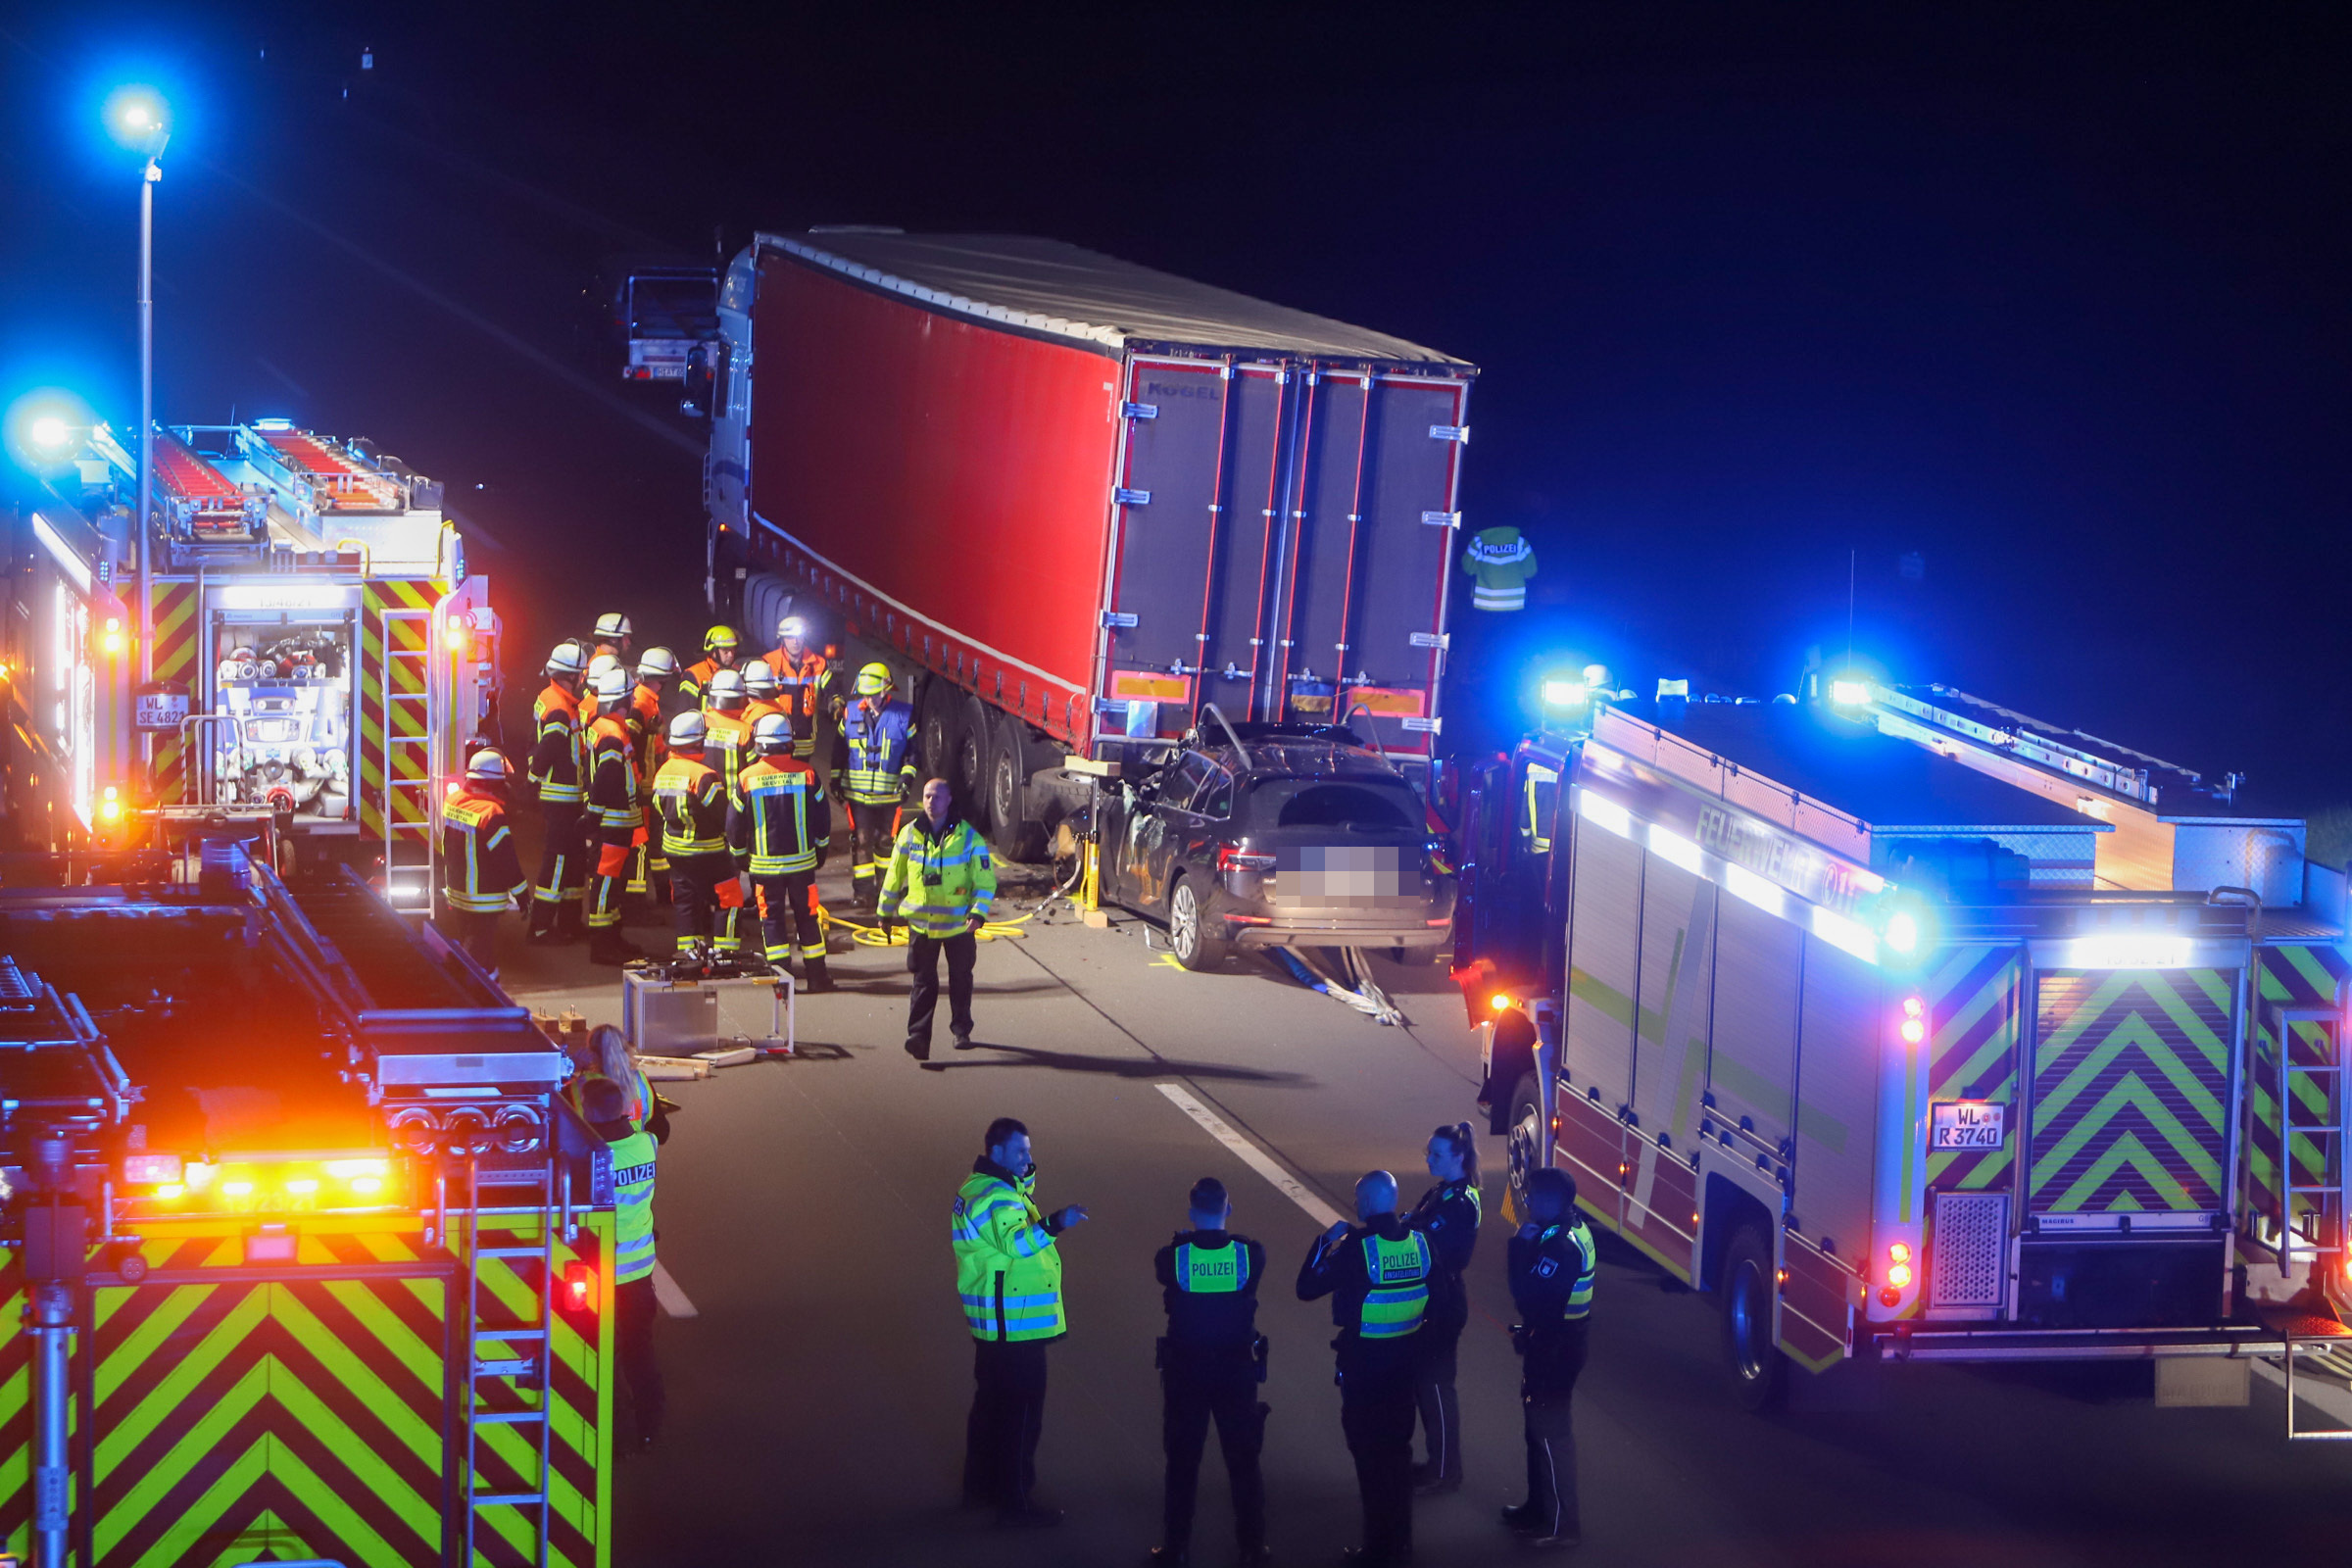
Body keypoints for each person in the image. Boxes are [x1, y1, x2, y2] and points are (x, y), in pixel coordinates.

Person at [952, 1116, 1088, 1526]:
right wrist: (1055, 1223)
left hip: (995, 1326)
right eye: (1020, 1152)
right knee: (1022, 1416)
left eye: (1029, 1150)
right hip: (1016, 1326)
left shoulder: (981, 1188)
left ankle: (979, 1488)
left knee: (990, 1408)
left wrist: (1024, 1176)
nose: (1029, 1158)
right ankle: (1015, 1501)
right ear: (996, 1153)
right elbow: (1016, 1241)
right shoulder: (997, 1198)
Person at [1298, 1170, 1433, 1567]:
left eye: (1358, 1200)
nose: (1356, 1206)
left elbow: (1306, 1287)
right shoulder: (1421, 1243)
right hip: (1405, 1368)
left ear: (1370, 1203)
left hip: (1365, 1370)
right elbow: (1440, 1299)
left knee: (1370, 1460)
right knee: (1399, 1454)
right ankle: (1402, 1543)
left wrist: (1324, 1242)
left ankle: (1377, 1547)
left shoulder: (1358, 1247)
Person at [1151, 1177, 1269, 1568]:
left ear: (1190, 1213)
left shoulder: (1174, 1256)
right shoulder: (1251, 1254)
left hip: (1187, 1370)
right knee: (1243, 1462)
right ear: (1228, 1209)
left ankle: (1177, 1548)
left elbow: (1164, 1269)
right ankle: (1253, 1549)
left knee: (1183, 1462)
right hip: (1237, 1371)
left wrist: (1182, 1239)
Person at [1505, 1167, 1596, 1550]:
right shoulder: (1570, 1229)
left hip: (1556, 1350)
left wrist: (1519, 1249)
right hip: (1557, 1343)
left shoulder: (1559, 1245)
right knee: (1535, 1430)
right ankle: (1537, 1509)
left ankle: (1562, 1525)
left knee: (1550, 1434)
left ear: (1550, 1201)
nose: (1526, 1202)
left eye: (1532, 1196)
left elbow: (1529, 1296)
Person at [878, 777, 996, 1061]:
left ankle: (961, 1030)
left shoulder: (969, 837)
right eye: (927, 796)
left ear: (949, 800)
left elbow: (985, 879)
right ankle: (918, 1038)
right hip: (922, 925)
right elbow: (894, 875)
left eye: (937, 797)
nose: (931, 801)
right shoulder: (909, 834)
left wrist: (978, 913)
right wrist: (885, 910)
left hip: (959, 925)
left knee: (960, 979)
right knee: (922, 981)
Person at [582, 1076, 663, 1448]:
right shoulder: (646, 1146)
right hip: (640, 1273)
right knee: (639, 1351)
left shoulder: (590, 1157)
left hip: (602, 1274)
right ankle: (649, 1426)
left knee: (601, 1356)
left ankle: (612, 1436)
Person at [730, 711, 834, 991]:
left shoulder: (746, 778)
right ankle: (817, 977)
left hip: (765, 869)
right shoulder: (808, 774)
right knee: (808, 919)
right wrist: (820, 851)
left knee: (772, 921)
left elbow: (734, 824)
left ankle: (781, 982)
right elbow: (823, 819)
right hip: (802, 866)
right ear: (789, 743)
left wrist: (740, 857)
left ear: (760, 745)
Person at [1408, 1121, 1483, 1493]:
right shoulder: (1443, 1192)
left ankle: (1445, 1471)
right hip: (1432, 1298)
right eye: (1428, 1153)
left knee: (1436, 1387)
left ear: (1458, 1157)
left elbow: (1424, 1241)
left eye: (1436, 1155)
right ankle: (1436, 1463)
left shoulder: (1459, 1202)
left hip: (1442, 1301)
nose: (1429, 1160)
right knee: (1424, 1385)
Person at [653, 710, 744, 957]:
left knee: (686, 902)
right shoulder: (704, 777)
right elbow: (725, 816)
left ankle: (688, 956)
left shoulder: (662, 772)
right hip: (708, 852)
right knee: (729, 897)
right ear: (697, 742)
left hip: (674, 851)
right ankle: (726, 954)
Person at [832, 662, 918, 908]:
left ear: (886, 690)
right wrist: (836, 779)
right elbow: (839, 750)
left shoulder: (903, 715)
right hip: (857, 796)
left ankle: (885, 889)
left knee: (885, 843)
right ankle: (862, 892)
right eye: (865, 694)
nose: (869, 699)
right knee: (860, 841)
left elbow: (913, 753)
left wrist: (907, 778)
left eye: (873, 694)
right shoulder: (849, 713)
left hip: (889, 796)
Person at [440, 748, 527, 977]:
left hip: (457, 892)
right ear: (492, 783)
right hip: (483, 898)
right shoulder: (491, 813)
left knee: (484, 956)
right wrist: (522, 895)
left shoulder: (452, 801)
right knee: (475, 956)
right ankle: (468, 999)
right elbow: (507, 860)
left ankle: (494, 997)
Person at [526, 641, 590, 945]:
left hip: (567, 798)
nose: (585, 678)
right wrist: (533, 779)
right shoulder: (560, 711)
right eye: (581, 674)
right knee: (558, 862)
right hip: (561, 798)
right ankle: (540, 927)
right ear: (572, 675)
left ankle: (568, 922)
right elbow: (549, 750)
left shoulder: (552, 698)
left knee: (574, 860)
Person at [583, 665, 645, 966]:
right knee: (606, 881)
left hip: (615, 820)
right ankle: (601, 945)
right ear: (624, 700)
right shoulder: (612, 733)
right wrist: (594, 814)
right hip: (613, 821)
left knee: (613, 881)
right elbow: (607, 774)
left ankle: (613, 937)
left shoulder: (605, 726)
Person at [630, 648, 680, 906]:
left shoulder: (648, 699)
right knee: (643, 841)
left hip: (650, 782)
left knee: (655, 841)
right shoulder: (641, 703)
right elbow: (634, 745)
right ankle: (638, 901)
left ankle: (663, 893)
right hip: (644, 784)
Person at [763, 614, 835, 763]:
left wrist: (836, 703)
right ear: (782, 639)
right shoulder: (768, 663)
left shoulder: (818, 663)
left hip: (805, 740)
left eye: (799, 637)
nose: (795, 642)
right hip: (776, 737)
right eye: (790, 637)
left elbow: (832, 689)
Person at [679, 624, 741, 707]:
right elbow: (685, 713)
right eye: (725, 650)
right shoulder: (694, 675)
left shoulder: (738, 672)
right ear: (712, 651)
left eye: (732, 650)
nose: (730, 655)